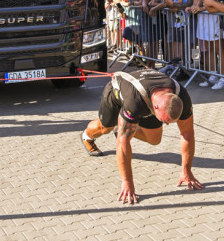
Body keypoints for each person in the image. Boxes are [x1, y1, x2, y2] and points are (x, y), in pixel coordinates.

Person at [80, 69, 203, 203]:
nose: (167, 125)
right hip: (118, 96)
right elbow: (123, 142)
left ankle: (121, 127)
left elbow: (187, 134)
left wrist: (187, 171)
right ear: (155, 107)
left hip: (148, 100)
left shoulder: (182, 96)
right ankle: (87, 136)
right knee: (105, 128)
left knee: (154, 140)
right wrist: (127, 181)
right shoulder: (135, 101)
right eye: (165, 121)